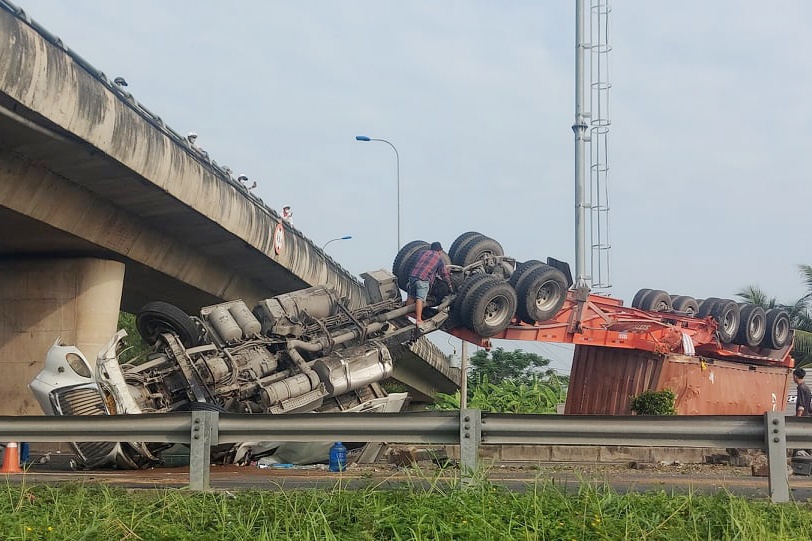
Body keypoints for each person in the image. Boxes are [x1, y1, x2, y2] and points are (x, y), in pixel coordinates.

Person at [406, 242, 452, 326]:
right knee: (420, 299)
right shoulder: (439, 259)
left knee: (411, 296)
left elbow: (413, 261)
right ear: (439, 250)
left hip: (413, 276)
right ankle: (419, 319)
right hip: (423, 279)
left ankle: (406, 315)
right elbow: (443, 274)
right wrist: (449, 284)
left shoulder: (422, 252)